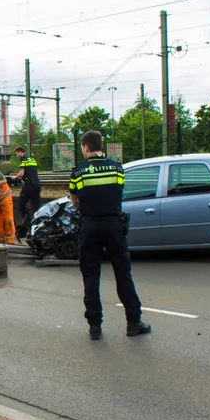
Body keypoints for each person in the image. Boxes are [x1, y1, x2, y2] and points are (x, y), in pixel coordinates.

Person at [69, 131, 149, 340]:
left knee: (90, 276)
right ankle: (133, 322)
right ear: (100, 145)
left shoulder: (78, 172)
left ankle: (95, 326)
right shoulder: (117, 168)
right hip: (114, 225)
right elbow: (117, 193)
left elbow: (74, 202)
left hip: (90, 226)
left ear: (85, 146)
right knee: (123, 274)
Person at [14, 146, 41, 220]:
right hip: (37, 185)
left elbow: (21, 174)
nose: (17, 156)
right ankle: (38, 221)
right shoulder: (32, 159)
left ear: (20, 152)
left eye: (17, 154)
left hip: (29, 185)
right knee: (37, 206)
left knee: (21, 205)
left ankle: (27, 221)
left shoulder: (23, 160)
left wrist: (15, 177)